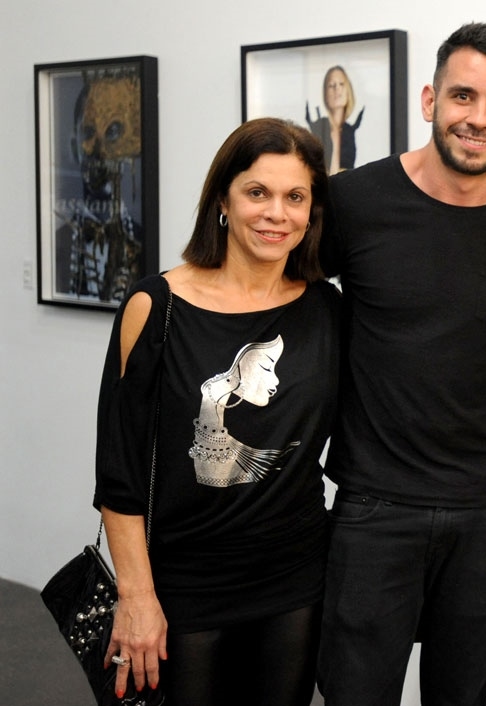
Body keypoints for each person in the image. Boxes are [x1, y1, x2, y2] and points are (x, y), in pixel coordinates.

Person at [316, 23, 486, 706]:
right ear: (429, 99)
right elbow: (274, 300)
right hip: (373, 505)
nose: (479, 118)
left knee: (463, 696)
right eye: (463, 96)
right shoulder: (354, 202)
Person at [94, 117, 340, 706]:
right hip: (184, 585)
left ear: (311, 212)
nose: (276, 213)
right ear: (223, 202)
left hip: (295, 579)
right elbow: (119, 473)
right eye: (257, 192)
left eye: (295, 197)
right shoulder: (156, 305)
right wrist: (137, 596)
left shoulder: (326, 310)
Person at [307, 65, 364, 175]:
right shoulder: (316, 129)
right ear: (325, 93)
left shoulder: (353, 129)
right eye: (331, 85)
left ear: (348, 90)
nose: (337, 88)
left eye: (341, 84)